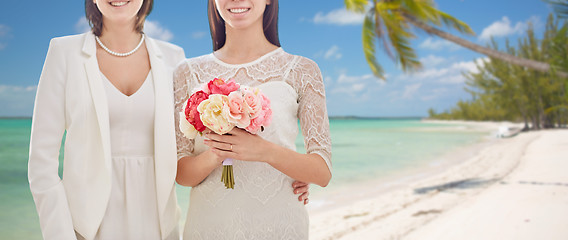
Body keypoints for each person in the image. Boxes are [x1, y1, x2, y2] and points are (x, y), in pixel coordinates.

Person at [173, 0, 332, 239]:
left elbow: (322, 172)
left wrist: (264, 151)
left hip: (280, 225)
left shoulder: (302, 70)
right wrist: (218, 153)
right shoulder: (186, 72)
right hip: (209, 226)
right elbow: (180, 174)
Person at [27, 0, 185, 239]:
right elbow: (41, 164)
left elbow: (188, 149)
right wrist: (61, 234)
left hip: (159, 226)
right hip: (86, 228)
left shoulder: (174, 58)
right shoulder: (64, 52)